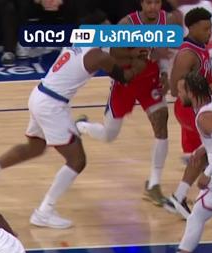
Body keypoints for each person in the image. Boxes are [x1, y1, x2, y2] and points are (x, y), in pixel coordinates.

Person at [0, 46, 145, 228]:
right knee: (77, 160)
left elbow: (113, 54)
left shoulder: (81, 42)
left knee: (35, 147)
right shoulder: (98, 56)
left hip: (40, 94)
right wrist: (139, 64)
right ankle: (44, 212)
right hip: (52, 105)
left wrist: (131, 54)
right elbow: (124, 77)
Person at [76, 0, 182, 207]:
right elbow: (113, 57)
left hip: (150, 80)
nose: (153, 7)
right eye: (149, 3)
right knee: (109, 135)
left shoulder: (168, 21)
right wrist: (136, 57)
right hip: (127, 80)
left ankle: (154, 184)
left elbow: (165, 52)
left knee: (161, 123)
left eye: (156, 2)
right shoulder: (127, 24)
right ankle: (81, 126)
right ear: (141, 3)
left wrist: (164, 73)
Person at [139, 71, 212, 253]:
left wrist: (208, 173)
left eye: (180, 91)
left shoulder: (205, 117)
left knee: (196, 216)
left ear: (192, 92)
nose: (177, 95)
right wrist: (203, 148)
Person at [164, 7, 212, 217]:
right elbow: (176, 89)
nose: (209, 33)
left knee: (203, 154)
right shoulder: (187, 54)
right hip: (188, 109)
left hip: (201, 106)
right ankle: (196, 196)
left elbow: (201, 78)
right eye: (205, 29)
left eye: (210, 28)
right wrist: (209, 89)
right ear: (191, 28)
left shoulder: (200, 46)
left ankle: (178, 197)